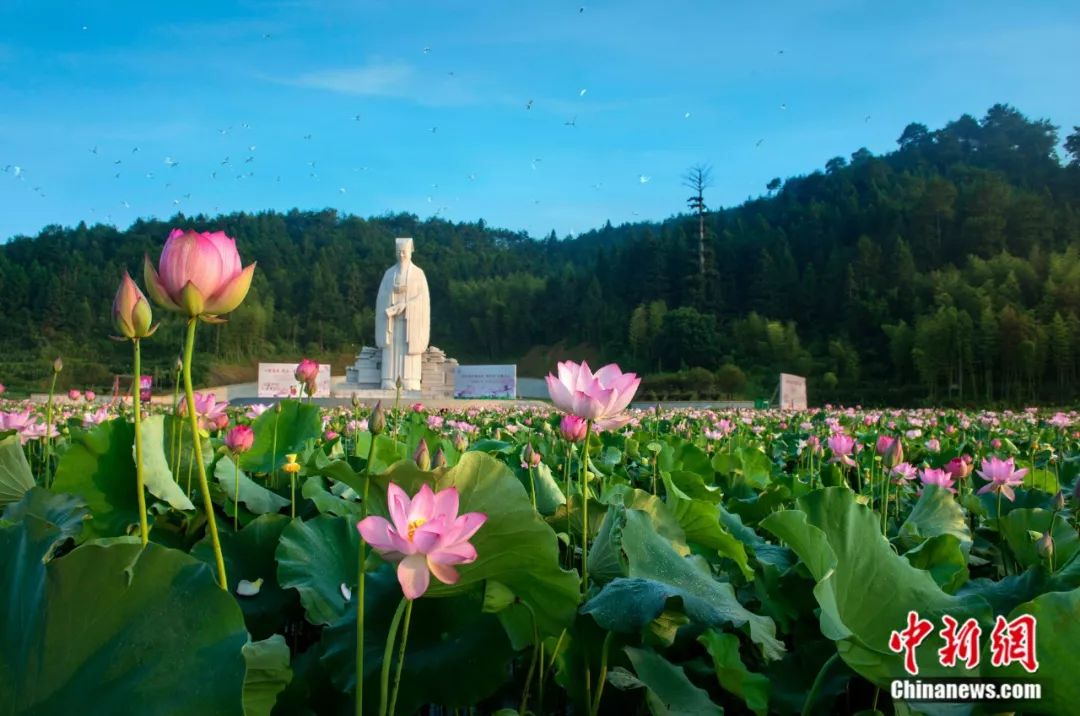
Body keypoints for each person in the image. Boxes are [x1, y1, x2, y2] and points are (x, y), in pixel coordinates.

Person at [374, 238, 430, 390]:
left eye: (404, 252)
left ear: (411, 252)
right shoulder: (389, 274)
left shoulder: (418, 273)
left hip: (410, 322)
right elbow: (381, 296)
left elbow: (423, 298)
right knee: (391, 350)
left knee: (408, 351)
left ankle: (410, 380)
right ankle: (388, 379)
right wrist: (391, 303)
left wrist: (406, 305)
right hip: (392, 322)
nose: (401, 255)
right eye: (399, 252)